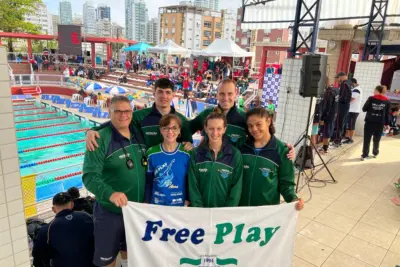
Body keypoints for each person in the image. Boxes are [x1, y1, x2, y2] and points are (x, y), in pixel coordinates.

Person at [83, 96, 147, 267]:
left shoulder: (137, 133)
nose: (123, 115)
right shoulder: (100, 138)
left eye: (126, 111)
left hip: (136, 212)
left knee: (131, 253)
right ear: (109, 112)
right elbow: (89, 177)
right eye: (117, 111)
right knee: (107, 260)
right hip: (110, 213)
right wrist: (110, 194)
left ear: (132, 112)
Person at [86, 78, 193, 150]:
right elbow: (117, 123)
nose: (164, 96)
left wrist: (190, 145)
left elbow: (188, 145)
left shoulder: (182, 120)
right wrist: (93, 130)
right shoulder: (140, 116)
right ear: (153, 93)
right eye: (160, 92)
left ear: (173, 95)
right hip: (145, 172)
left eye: (168, 92)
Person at [239, 108, 304, 210]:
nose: (254, 129)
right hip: (239, 209)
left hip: (266, 211)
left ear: (268, 121)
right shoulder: (241, 146)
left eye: (258, 124)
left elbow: (286, 183)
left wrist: (293, 199)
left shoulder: (282, 151)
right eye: (250, 126)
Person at [188, 112, 243, 207]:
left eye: (219, 129)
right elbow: (193, 186)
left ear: (224, 129)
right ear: (205, 129)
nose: (215, 133)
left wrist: (226, 213)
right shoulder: (196, 153)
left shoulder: (235, 154)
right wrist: (199, 210)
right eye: (211, 128)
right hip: (200, 213)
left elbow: (236, 189)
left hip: (223, 215)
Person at [32, 192, 95, 267]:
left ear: (53, 209)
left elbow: (37, 255)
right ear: (72, 205)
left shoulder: (47, 229)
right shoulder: (87, 217)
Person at [145, 114, 191, 206]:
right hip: (157, 204)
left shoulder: (187, 153)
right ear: (161, 130)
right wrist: (146, 201)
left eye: (174, 128)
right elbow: (148, 181)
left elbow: (190, 180)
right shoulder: (151, 153)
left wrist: (188, 198)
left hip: (179, 204)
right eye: (166, 128)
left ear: (179, 131)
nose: (170, 131)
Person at [361, 85, 391, 161]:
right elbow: (387, 113)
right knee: (377, 138)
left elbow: (364, 109)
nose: (373, 91)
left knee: (367, 138)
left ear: (378, 90)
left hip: (369, 121)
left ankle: (365, 154)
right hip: (380, 122)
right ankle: (375, 153)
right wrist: (387, 124)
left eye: (374, 90)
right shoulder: (387, 101)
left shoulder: (371, 99)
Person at [319, 78, 339, 154]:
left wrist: (323, 118)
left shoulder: (328, 93)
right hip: (334, 114)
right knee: (329, 131)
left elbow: (327, 107)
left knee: (325, 133)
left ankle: (325, 149)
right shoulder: (336, 90)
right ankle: (326, 146)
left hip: (329, 116)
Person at [333, 72, 352, 146]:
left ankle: (337, 140)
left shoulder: (344, 84)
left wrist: (336, 100)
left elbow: (343, 96)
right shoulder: (349, 83)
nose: (338, 80)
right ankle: (341, 137)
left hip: (342, 105)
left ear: (342, 76)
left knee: (339, 122)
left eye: (338, 78)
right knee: (342, 122)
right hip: (346, 105)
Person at [343, 78, 362, 144]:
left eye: (350, 84)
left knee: (351, 125)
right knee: (348, 125)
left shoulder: (357, 90)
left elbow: (352, 98)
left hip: (353, 110)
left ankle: (350, 139)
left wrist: (344, 102)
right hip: (351, 110)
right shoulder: (354, 89)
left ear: (354, 83)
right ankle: (347, 137)